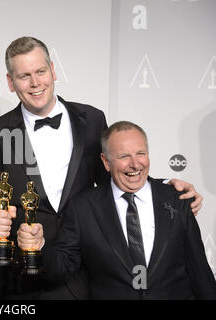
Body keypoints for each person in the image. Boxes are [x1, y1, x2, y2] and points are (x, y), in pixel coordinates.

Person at [0, 36, 203, 299]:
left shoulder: (92, 119)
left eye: (40, 71)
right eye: (24, 76)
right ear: (10, 82)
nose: (35, 83)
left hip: (82, 273)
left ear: (53, 70)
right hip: (18, 280)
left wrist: (164, 187)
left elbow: (113, 178)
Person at [26, 121, 216, 299]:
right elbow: (62, 268)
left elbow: (198, 269)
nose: (135, 164)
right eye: (124, 156)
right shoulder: (83, 208)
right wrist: (40, 246)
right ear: (106, 162)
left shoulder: (178, 199)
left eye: (141, 153)